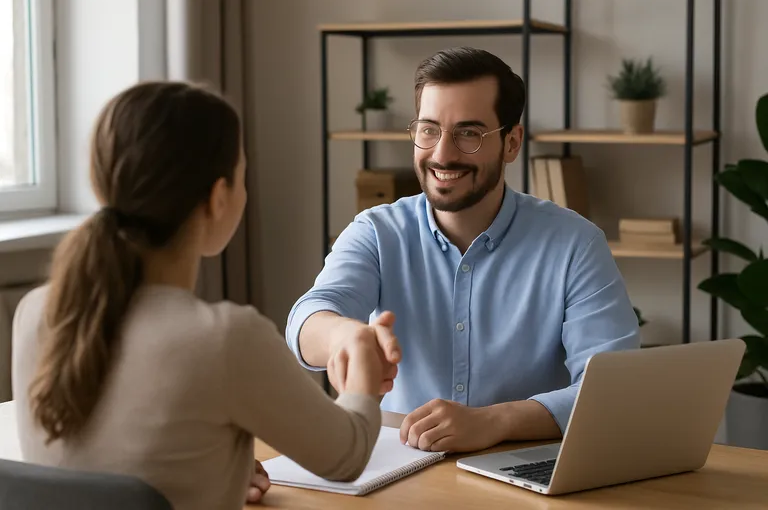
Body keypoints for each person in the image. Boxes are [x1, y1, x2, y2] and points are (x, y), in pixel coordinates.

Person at [11, 81, 387, 510]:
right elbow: (347, 455)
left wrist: (215, 461)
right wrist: (363, 364)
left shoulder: (35, 312)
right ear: (218, 197)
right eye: (243, 175)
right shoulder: (225, 338)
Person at [285, 47, 641, 453]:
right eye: (428, 129)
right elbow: (306, 320)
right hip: (399, 468)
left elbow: (613, 388)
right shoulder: (377, 232)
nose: (442, 154)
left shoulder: (576, 245)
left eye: (468, 133)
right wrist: (343, 336)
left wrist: (496, 421)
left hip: (525, 475)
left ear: (512, 143)